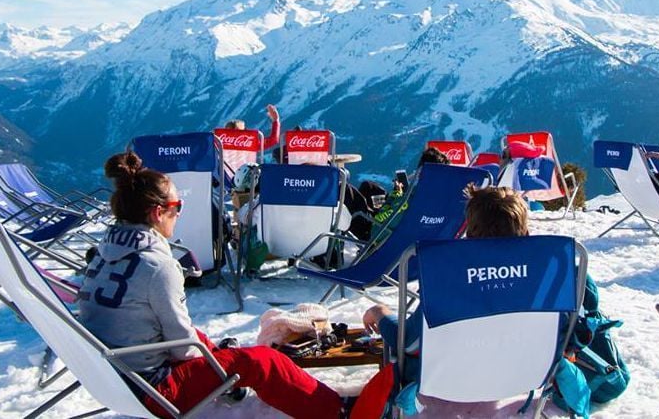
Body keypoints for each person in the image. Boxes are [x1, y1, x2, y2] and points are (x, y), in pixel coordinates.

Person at [78, 151, 344, 419]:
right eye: (177, 206)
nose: (179, 213)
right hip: (155, 391)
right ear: (158, 213)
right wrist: (221, 360)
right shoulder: (157, 267)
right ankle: (336, 410)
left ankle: (231, 376)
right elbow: (183, 347)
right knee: (263, 361)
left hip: (113, 378)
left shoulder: (103, 254)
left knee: (202, 338)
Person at [349, 185, 530, 417]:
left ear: (470, 235)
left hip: (449, 383)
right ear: (526, 234)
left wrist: (380, 313)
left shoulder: (446, 275)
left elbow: (409, 342)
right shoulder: (548, 275)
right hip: (519, 379)